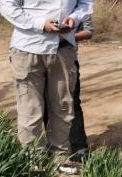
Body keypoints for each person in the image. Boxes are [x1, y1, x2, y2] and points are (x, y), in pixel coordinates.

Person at [0, 0, 93, 160]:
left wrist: (75, 18)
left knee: (63, 106)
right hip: (29, 49)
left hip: (63, 49)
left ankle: (59, 157)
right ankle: (33, 159)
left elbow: (86, 3)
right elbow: (7, 6)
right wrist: (40, 24)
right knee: (31, 108)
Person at [43, 17, 93, 164]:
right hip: (39, 59)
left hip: (67, 60)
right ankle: (48, 147)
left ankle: (79, 147)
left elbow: (88, 31)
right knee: (43, 105)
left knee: (71, 103)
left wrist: (66, 36)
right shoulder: (35, 7)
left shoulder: (79, 7)